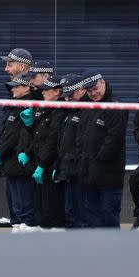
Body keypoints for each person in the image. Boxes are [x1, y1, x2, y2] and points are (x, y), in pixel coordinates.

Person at [76, 70, 128, 228]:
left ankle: (112, 250)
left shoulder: (115, 106)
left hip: (108, 176)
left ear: (103, 82)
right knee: (91, 215)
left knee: (108, 216)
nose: (93, 93)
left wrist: (96, 162)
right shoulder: (88, 104)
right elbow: (81, 134)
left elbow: (113, 141)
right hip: (88, 174)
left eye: (95, 88)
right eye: (89, 90)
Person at [0, 73, 36, 229]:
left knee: (23, 199)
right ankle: (17, 224)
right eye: (11, 87)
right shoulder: (12, 105)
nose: (12, 90)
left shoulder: (27, 106)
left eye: (16, 86)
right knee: (13, 200)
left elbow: (15, 134)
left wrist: (0, 152)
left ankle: (25, 226)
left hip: (19, 161)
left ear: (26, 88)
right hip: (8, 162)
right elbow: (3, 131)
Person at [26, 74, 67, 229]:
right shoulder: (46, 108)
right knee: (41, 204)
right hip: (40, 163)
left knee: (52, 206)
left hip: (50, 166)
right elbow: (37, 136)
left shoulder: (60, 110)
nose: (42, 93)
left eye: (46, 90)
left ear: (57, 92)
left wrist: (43, 164)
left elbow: (52, 139)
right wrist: (28, 124)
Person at [53, 73, 89, 228]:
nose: (68, 99)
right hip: (67, 169)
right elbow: (63, 142)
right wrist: (58, 165)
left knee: (81, 212)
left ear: (81, 90)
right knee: (70, 211)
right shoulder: (69, 111)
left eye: (71, 94)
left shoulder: (88, 110)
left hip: (81, 170)